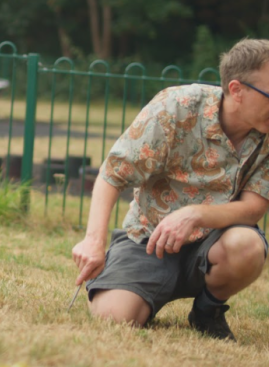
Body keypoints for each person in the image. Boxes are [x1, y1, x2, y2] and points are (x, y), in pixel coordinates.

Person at [71, 38, 269, 341]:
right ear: (236, 90)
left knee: (249, 245)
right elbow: (113, 173)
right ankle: (138, 288)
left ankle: (207, 310)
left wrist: (195, 214)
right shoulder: (177, 107)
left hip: (215, 243)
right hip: (149, 240)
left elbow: (254, 208)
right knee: (114, 318)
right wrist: (93, 242)